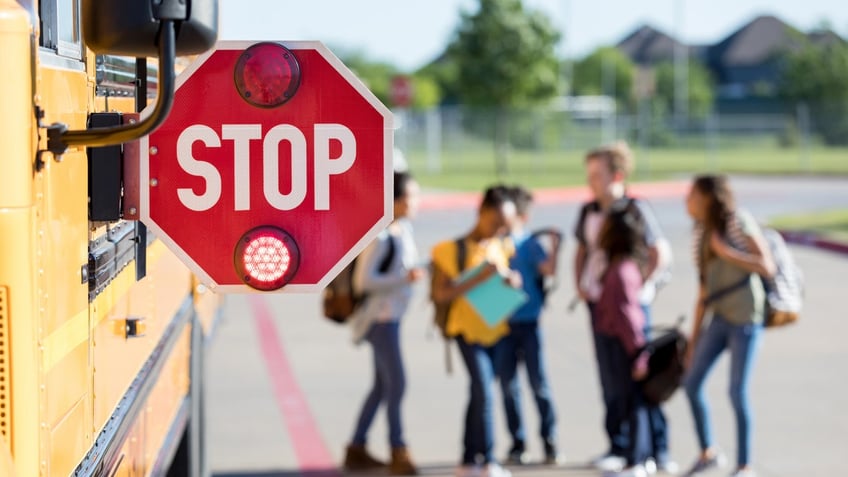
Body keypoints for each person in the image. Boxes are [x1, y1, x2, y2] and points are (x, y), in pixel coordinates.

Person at [572, 141, 676, 473]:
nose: (591, 181)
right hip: (599, 302)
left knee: (640, 377)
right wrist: (582, 284)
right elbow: (582, 250)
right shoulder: (589, 211)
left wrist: (639, 286)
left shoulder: (634, 210)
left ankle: (654, 450)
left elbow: (659, 252)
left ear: (616, 174)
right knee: (611, 378)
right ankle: (620, 445)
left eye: (597, 174)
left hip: (627, 303)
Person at [682, 175, 774, 477]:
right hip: (718, 317)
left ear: (708, 198)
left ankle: (745, 465)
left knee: (737, 392)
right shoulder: (699, 235)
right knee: (691, 383)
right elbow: (703, 293)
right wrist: (693, 342)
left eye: (692, 195)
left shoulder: (736, 222)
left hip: (746, 318)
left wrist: (727, 253)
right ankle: (708, 451)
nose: (687, 201)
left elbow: (767, 266)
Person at [431, 185, 521, 477]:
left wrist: (512, 282)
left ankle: (468, 458)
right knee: (485, 392)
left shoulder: (503, 245)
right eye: (495, 223)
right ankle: (489, 460)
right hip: (466, 331)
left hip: (497, 328)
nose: (498, 230)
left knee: (478, 395)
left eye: (504, 226)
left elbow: (509, 278)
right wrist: (478, 279)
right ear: (481, 212)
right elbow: (442, 294)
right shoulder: (451, 250)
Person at [343, 171, 426, 475]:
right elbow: (364, 281)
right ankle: (398, 449)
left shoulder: (402, 230)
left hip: (392, 316)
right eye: (411, 196)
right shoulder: (379, 236)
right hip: (380, 320)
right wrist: (403, 278)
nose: (416, 202)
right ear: (396, 200)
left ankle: (356, 447)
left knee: (381, 386)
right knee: (397, 384)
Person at [494, 185, 564, 466]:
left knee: (539, 384)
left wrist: (556, 248)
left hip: (530, 322)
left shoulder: (529, 243)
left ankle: (549, 439)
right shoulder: (495, 244)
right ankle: (517, 441)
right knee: (508, 386)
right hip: (502, 324)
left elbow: (548, 269)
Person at [595, 203, 653, 477]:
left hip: (623, 345)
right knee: (629, 401)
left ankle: (637, 460)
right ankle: (636, 457)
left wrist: (638, 353)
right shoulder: (622, 266)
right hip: (620, 342)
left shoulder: (621, 271)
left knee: (633, 402)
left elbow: (629, 316)